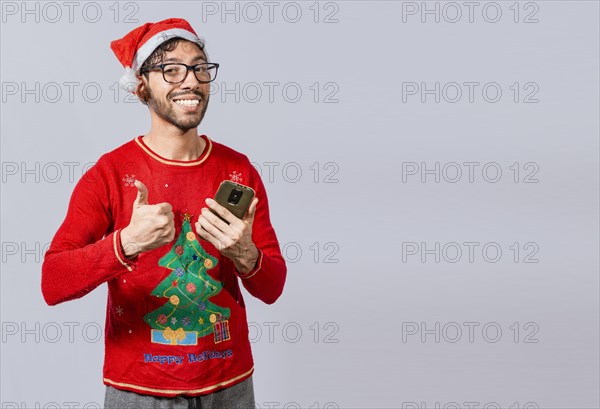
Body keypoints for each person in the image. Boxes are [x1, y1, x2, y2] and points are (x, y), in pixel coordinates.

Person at [41, 18, 287, 408]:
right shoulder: (109, 174)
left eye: (200, 67)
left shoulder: (239, 171)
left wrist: (244, 253)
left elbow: (273, 288)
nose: (190, 81)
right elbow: (52, 283)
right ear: (141, 86)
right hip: (138, 390)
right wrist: (125, 244)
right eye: (171, 69)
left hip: (230, 386)